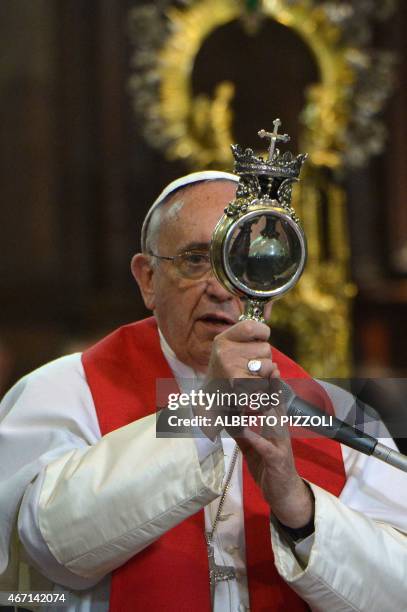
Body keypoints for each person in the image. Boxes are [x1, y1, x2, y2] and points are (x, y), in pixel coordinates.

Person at [0, 171, 407, 612]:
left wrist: (300, 510)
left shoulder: (337, 413)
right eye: (196, 259)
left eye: (245, 260)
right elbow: (45, 549)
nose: (221, 287)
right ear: (148, 279)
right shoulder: (61, 390)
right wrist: (203, 412)